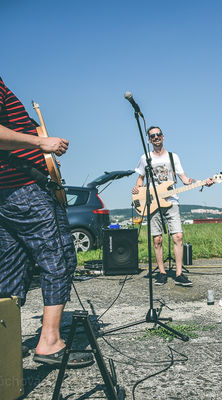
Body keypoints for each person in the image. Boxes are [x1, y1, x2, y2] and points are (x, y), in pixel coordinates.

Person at [0, 76, 92, 367]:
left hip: (7, 193)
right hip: (24, 190)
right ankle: (50, 342)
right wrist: (41, 143)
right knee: (60, 258)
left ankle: (5, 344)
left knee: (12, 267)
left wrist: (43, 159)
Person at [132, 126, 214, 286]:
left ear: (163, 136)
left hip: (172, 199)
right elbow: (140, 178)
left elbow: (184, 179)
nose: (156, 137)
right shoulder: (145, 158)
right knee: (157, 239)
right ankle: (162, 273)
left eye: (158, 134)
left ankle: (179, 274)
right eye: (152, 136)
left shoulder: (173, 157)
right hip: (152, 201)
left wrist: (202, 182)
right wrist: (137, 188)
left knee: (178, 236)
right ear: (149, 140)